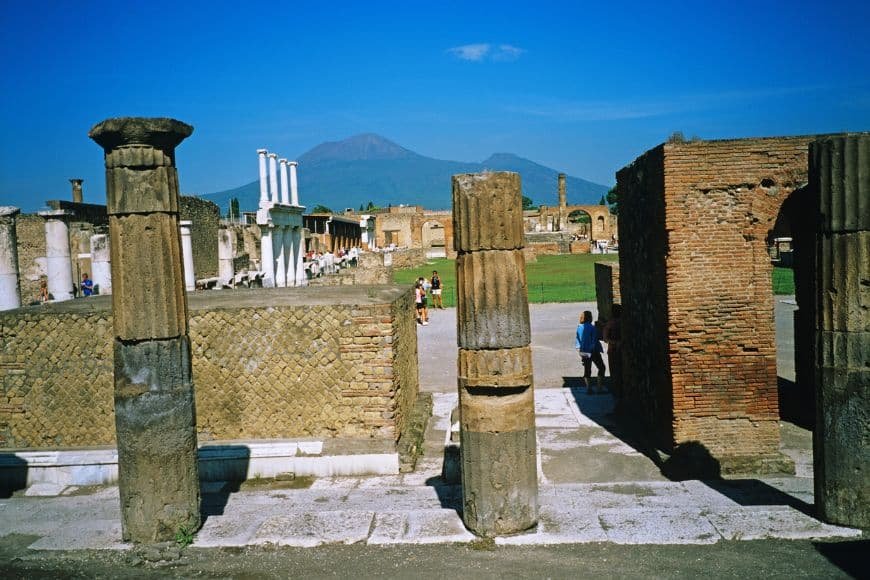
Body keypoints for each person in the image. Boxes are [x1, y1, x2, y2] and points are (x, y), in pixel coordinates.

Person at [575, 310, 605, 393]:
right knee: (601, 367)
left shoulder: (579, 327)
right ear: (590, 318)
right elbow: (594, 340)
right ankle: (599, 388)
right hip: (593, 351)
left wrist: (579, 350)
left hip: (583, 350)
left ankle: (589, 389)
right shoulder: (592, 328)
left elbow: (578, 340)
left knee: (587, 370)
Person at [603, 304, 623, 405]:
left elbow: (605, 338)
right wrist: (618, 342)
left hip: (615, 350)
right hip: (615, 350)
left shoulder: (610, 323)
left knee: (616, 371)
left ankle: (618, 392)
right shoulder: (612, 323)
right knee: (617, 371)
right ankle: (618, 392)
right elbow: (606, 338)